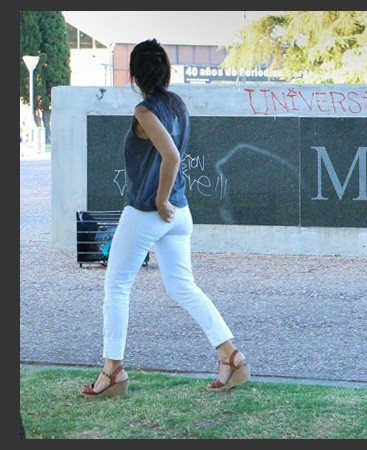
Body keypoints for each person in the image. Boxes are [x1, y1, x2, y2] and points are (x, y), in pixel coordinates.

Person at [81, 39, 250, 398]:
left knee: (117, 287)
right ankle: (230, 356)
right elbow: (173, 154)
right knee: (181, 286)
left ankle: (112, 372)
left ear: (135, 74)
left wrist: (158, 200)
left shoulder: (145, 112)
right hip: (180, 212)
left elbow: (170, 156)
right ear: (165, 71)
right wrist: (167, 202)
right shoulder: (178, 105)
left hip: (149, 211)